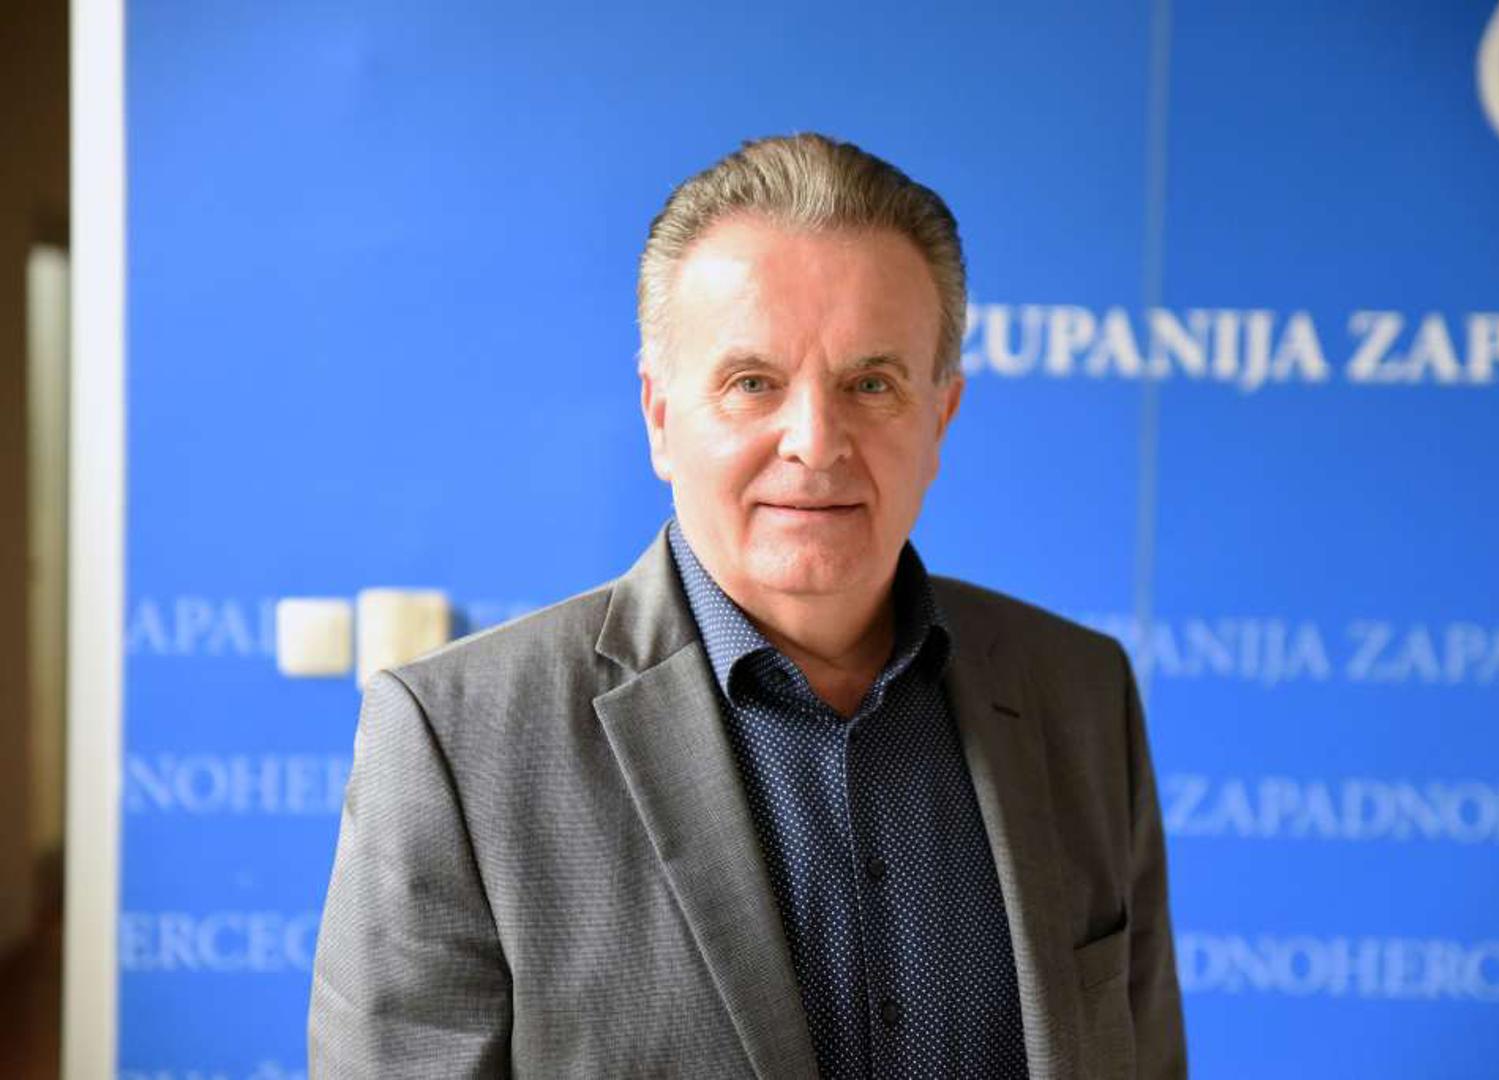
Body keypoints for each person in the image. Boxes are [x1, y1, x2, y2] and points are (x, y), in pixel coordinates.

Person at [309, 133, 1186, 1079]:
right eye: (752, 384)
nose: (814, 441)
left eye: (871, 384)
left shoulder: (1079, 694)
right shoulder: (458, 742)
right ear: (659, 415)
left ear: (941, 417)